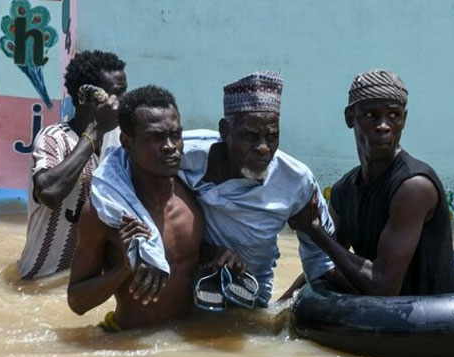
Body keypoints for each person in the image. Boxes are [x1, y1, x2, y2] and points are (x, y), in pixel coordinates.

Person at [92, 71, 342, 308]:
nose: (264, 148)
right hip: (194, 290)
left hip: (251, 294)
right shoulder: (185, 153)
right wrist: (143, 244)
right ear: (224, 131)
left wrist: (281, 309)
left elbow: (321, 259)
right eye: (251, 136)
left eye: (272, 136)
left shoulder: (296, 181)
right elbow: (116, 166)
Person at [286, 69, 454, 296]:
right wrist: (279, 306)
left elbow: (385, 286)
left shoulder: (414, 187)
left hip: (429, 322)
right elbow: (327, 261)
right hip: (379, 319)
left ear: (404, 120)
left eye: (393, 116)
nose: (383, 125)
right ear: (350, 117)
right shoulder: (344, 190)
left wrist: (315, 231)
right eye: (371, 115)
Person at [67, 85, 204, 330]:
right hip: (128, 346)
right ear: (127, 142)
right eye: (156, 137)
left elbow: (190, 260)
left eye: (175, 135)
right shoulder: (105, 212)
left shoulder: (195, 195)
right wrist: (124, 269)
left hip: (187, 344)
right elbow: (77, 302)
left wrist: (223, 255)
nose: (170, 146)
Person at [17, 50, 127, 279]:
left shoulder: (121, 141)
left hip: (86, 283)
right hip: (40, 280)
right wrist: (94, 131)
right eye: (115, 94)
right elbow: (49, 192)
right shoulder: (53, 138)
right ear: (85, 97)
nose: (121, 103)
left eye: (123, 93)